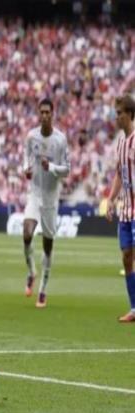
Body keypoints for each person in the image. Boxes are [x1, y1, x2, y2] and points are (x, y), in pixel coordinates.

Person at [22, 98, 70, 308]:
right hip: (35, 193)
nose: (44, 116)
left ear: (53, 114)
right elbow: (26, 157)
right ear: (38, 113)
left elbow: (67, 169)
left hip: (51, 197)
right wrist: (26, 169)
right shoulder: (31, 136)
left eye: (47, 112)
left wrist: (50, 166)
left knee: (47, 247)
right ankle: (32, 272)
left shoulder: (60, 140)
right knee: (26, 234)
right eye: (41, 112)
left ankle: (43, 289)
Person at [106, 94, 135, 323]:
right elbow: (119, 173)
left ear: (130, 114)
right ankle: (134, 308)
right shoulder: (121, 143)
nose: (116, 117)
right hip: (125, 211)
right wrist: (111, 199)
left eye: (120, 113)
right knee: (126, 258)